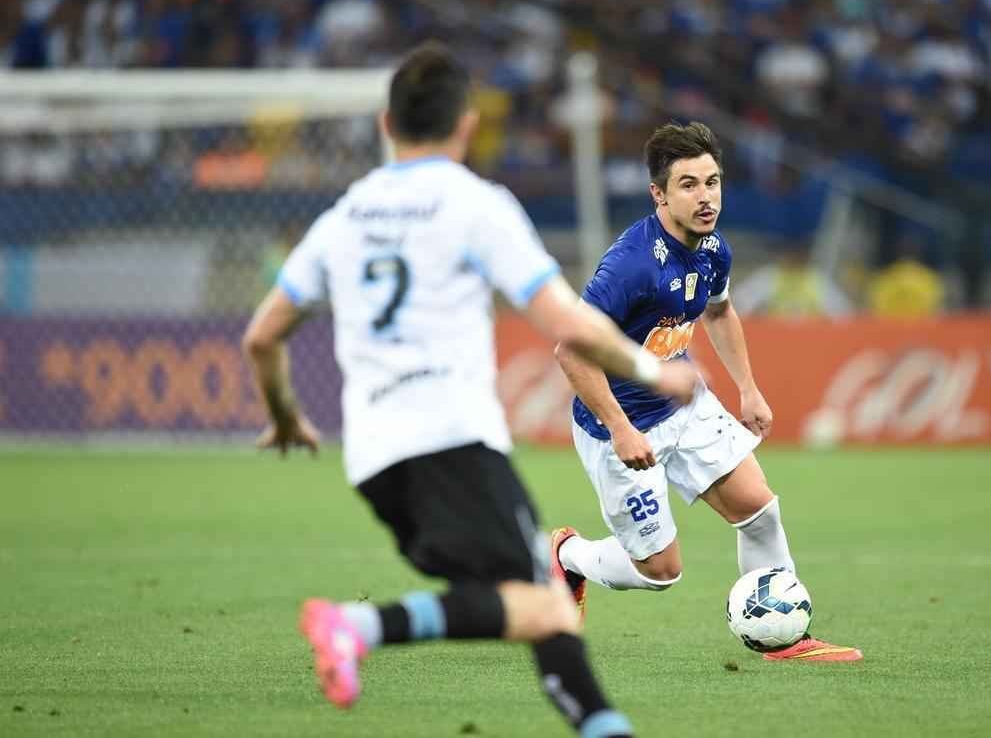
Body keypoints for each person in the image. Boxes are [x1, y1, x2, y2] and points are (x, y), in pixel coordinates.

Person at [242, 41, 700, 738]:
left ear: (386, 124)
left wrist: (283, 415)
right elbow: (564, 322)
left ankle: (599, 723)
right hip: (451, 441)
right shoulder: (475, 205)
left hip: (373, 459)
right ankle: (357, 626)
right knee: (542, 605)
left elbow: (261, 336)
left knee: (523, 602)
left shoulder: (345, 216)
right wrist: (655, 371)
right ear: (467, 126)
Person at [548, 121, 862, 663]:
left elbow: (719, 312)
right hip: (618, 424)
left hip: (683, 404)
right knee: (660, 572)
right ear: (659, 194)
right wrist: (621, 428)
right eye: (689, 185)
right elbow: (571, 351)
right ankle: (567, 555)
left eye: (712, 182)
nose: (705, 197)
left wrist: (749, 390)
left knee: (759, 510)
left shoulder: (714, 249)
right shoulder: (631, 266)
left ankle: (785, 638)